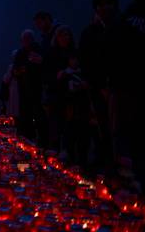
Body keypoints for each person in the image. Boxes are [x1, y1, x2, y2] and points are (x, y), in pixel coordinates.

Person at [110, 0, 145, 193]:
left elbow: (115, 51)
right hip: (130, 86)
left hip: (128, 86)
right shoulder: (125, 20)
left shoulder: (123, 19)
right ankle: (135, 179)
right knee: (134, 133)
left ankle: (132, 178)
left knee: (130, 133)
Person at [79, 0, 119, 172]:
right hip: (97, 86)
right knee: (101, 124)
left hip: (121, 86)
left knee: (119, 126)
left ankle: (120, 162)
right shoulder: (89, 33)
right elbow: (86, 60)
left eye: (109, 4)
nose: (105, 8)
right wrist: (97, 83)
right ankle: (106, 161)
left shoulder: (121, 28)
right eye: (101, 5)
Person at [45, 25, 77, 153]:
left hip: (73, 94)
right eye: (62, 35)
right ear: (56, 37)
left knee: (71, 124)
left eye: (67, 34)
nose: (65, 37)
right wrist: (58, 75)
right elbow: (47, 75)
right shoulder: (52, 54)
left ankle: (71, 152)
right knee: (56, 123)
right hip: (56, 94)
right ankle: (56, 150)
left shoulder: (74, 52)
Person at [13, 30, 45, 145]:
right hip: (24, 88)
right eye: (24, 40)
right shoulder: (20, 53)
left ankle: (42, 140)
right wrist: (22, 70)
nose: (26, 42)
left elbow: (44, 65)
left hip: (37, 88)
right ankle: (28, 138)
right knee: (26, 114)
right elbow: (15, 71)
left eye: (28, 39)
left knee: (39, 114)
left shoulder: (38, 50)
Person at [59, 53, 91, 166]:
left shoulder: (83, 73)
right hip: (70, 110)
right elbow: (65, 91)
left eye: (76, 59)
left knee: (83, 139)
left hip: (82, 110)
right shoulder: (64, 75)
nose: (74, 61)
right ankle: (71, 162)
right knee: (70, 138)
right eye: (72, 59)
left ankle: (82, 163)